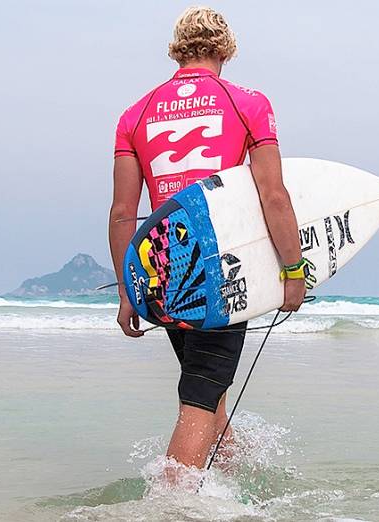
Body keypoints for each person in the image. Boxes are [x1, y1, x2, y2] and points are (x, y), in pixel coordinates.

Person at [108, 6, 306, 474]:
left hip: (160, 266)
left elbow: (121, 214)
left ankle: (228, 482)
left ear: (178, 49)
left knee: (208, 386)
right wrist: (293, 270)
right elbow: (272, 193)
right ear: (225, 48)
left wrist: (128, 290)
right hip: (220, 260)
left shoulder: (134, 114)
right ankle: (173, 503)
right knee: (199, 394)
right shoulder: (247, 102)